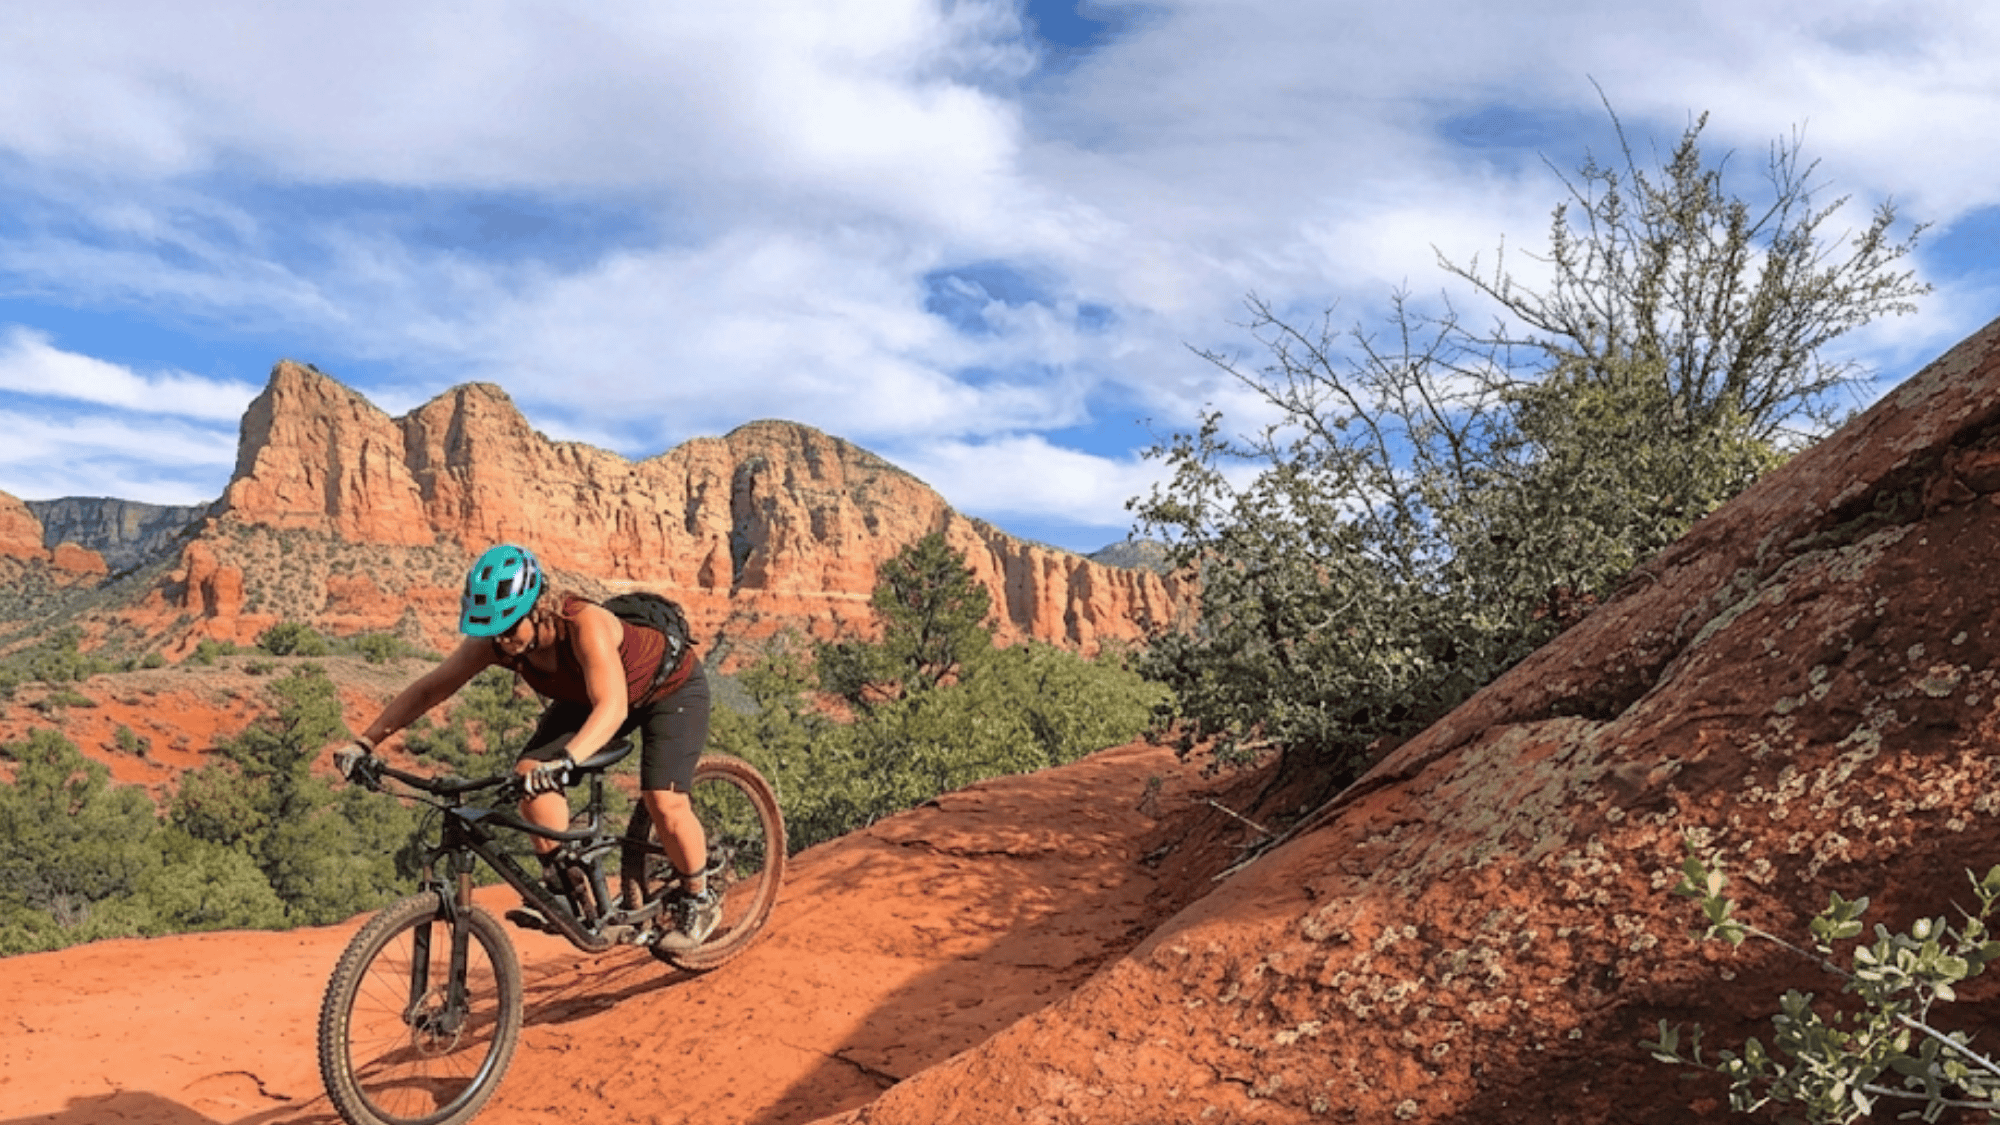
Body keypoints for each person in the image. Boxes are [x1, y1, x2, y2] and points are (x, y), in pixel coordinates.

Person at [333, 543, 719, 950]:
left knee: (663, 801)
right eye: (491, 629)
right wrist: (366, 741)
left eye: (510, 626)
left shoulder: (585, 624)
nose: (503, 639)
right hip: (586, 698)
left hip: (668, 691)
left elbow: (613, 706)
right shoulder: (496, 641)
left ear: (537, 608)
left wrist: (567, 760)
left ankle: (700, 897)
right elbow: (430, 688)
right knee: (528, 778)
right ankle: (571, 895)